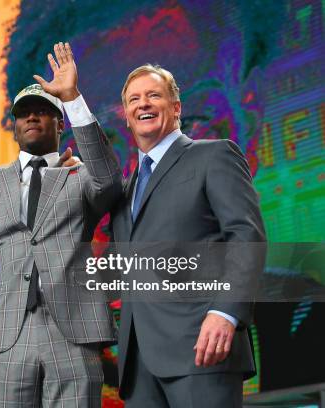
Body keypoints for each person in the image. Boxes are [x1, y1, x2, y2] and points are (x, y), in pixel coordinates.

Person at [0, 42, 121, 407]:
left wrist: (72, 97)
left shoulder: (83, 177)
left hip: (74, 333)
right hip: (6, 335)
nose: (32, 117)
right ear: (13, 125)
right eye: (24, 112)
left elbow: (109, 180)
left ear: (61, 123)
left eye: (43, 110)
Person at [112, 64, 266, 408]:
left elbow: (246, 235)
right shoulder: (127, 188)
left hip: (203, 348)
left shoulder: (214, 155)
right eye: (134, 99)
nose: (143, 104)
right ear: (127, 116)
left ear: (176, 107)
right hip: (139, 365)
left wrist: (225, 312)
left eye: (153, 95)